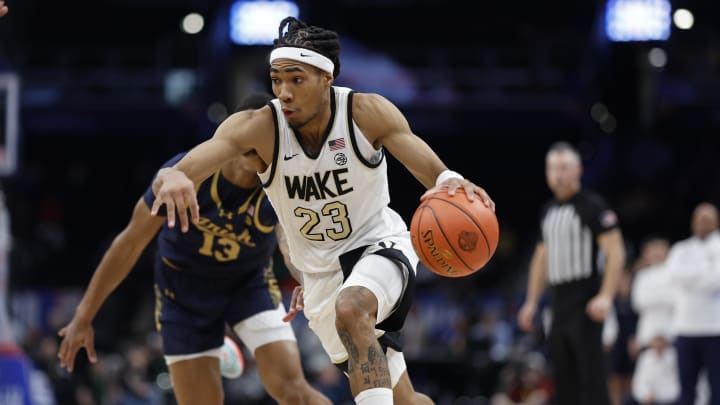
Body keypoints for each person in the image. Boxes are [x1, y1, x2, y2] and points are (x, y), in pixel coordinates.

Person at [149, 16, 494, 405]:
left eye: (296, 79)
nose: (284, 92)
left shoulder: (365, 113)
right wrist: (174, 176)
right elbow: (181, 169)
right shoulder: (259, 127)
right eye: (277, 80)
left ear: (326, 78)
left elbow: (428, 167)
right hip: (320, 279)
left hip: (377, 245)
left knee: (353, 306)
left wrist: (450, 180)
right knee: (406, 399)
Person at [57, 93, 332, 405]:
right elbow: (129, 243)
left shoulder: (280, 182)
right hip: (184, 292)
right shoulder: (192, 173)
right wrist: (84, 315)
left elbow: (289, 244)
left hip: (248, 284)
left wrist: (309, 281)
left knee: (294, 392)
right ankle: (218, 341)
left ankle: (223, 341)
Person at [517, 141, 626, 405]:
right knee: (563, 382)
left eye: (564, 167)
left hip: (586, 299)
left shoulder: (592, 205)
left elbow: (616, 250)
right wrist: (531, 302)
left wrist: (606, 296)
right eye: (553, 168)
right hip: (557, 302)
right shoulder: (548, 211)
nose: (558, 174)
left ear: (578, 170)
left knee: (593, 379)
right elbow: (540, 260)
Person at [664, 202, 720, 405]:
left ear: (716, 222)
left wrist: (690, 279)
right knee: (686, 390)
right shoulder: (681, 248)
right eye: (699, 219)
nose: (702, 223)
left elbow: (716, 281)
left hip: (715, 330)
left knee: (717, 389)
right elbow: (672, 275)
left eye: (707, 219)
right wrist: (704, 271)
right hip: (686, 328)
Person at [631, 331, 680, 405]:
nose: (658, 346)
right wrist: (646, 394)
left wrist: (659, 396)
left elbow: (677, 385)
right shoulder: (645, 357)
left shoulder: (674, 357)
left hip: (668, 399)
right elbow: (639, 381)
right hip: (649, 398)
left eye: (661, 343)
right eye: (656, 343)